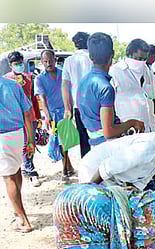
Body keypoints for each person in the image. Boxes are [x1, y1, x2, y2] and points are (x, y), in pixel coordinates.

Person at [78, 119, 155, 191]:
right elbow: (107, 167)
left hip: (112, 177)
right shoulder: (149, 147)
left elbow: (139, 181)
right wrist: (88, 191)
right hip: (93, 171)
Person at [77, 32, 144, 147]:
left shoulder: (84, 81)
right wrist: (132, 122)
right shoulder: (105, 88)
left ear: (90, 56)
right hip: (108, 145)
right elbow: (108, 131)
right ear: (112, 54)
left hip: (94, 141)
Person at [0, 77, 35, 232]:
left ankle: (23, 221)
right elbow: (28, 113)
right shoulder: (12, 84)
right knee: (16, 170)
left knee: (8, 178)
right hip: (17, 133)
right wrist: (31, 140)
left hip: (2, 136)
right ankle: (17, 207)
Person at [34, 49, 74, 181]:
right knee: (57, 141)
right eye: (45, 61)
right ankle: (68, 166)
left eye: (50, 60)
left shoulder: (63, 74)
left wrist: (70, 109)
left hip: (65, 111)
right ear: (41, 62)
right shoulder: (39, 79)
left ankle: (65, 170)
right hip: (52, 113)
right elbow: (43, 100)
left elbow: (69, 93)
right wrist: (47, 116)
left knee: (65, 141)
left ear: (55, 60)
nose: (48, 63)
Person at [4, 51, 42, 187]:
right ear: (10, 65)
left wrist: (37, 116)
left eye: (21, 63)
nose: (19, 66)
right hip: (15, 119)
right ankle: (26, 169)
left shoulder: (29, 78)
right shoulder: (7, 80)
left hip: (29, 115)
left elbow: (33, 98)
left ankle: (30, 169)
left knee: (30, 143)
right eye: (16, 64)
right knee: (21, 144)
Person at [110, 38, 155, 133]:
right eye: (138, 58)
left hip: (151, 127)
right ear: (128, 55)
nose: (140, 62)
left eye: (144, 59)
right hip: (129, 130)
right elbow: (109, 105)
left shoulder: (147, 71)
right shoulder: (115, 72)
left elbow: (152, 99)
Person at [61, 31, 93, 158]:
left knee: (83, 139)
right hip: (94, 104)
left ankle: (87, 168)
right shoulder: (92, 58)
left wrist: (67, 108)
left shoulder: (69, 61)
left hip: (78, 106)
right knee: (97, 137)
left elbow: (65, 85)